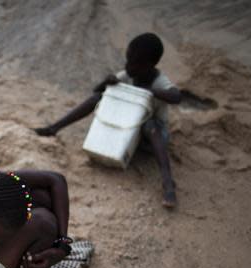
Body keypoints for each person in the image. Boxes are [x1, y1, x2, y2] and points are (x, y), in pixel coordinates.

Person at [35, 33, 182, 208]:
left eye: (134, 63)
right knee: (98, 97)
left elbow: (176, 96)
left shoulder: (159, 81)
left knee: (150, 125)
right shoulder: (128, 75)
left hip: (151, 136)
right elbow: (96, 90)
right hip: (127, 129)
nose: (128, 66)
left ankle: (168, 183)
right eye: (128, 60)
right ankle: (54, 128)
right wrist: (107, 82)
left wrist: (151, 91)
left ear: (150, 65)